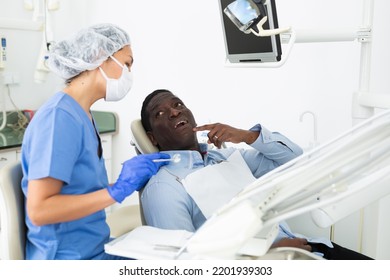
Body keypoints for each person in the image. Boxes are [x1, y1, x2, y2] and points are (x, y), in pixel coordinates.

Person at [139, 89, 373, 260]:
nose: (173, 112)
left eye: (178, 104)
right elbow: (182, 264)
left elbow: (294, 160)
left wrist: (247, 136)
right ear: (152, 138)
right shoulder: (164, 188)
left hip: (310, 249)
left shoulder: (227, 157)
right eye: (160, 113)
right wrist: (262, 255)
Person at [20, 24, 170, 260]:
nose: (129, 73)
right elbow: (40, 211)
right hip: (68, 258)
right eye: (127, 63)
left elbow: (79, 189)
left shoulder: (82, 113)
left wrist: (128, 181)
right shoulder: (58, 118)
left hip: (95, 248)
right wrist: (116, 190)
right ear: (100, 56)